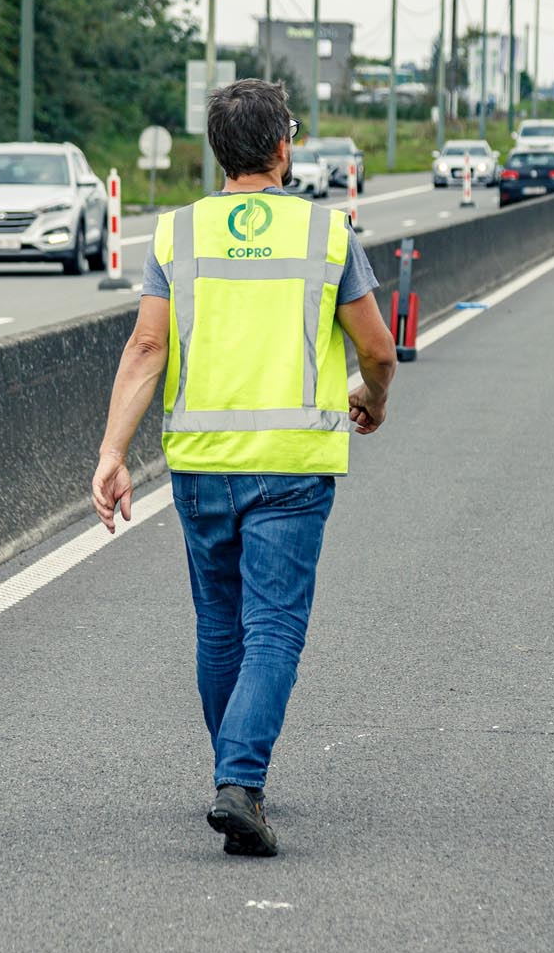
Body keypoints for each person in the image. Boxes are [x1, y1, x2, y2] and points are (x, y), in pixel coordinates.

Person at [90, 78, 398, 858]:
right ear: (283, 146)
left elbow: (147, 349)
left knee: (220, 626)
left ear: (218, 151)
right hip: (293, 465)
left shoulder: (179, 234)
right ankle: (241, 779)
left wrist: (113, 453)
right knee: (274, 630)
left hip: (201, 464)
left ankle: (233, 774)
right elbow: (377, 348)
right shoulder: (326, 235)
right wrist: (375, 396)